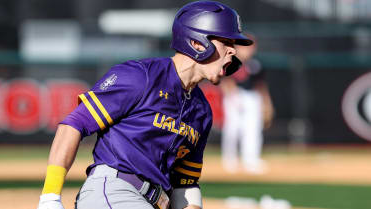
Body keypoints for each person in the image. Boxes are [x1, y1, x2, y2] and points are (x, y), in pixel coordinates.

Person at [36, 1, 253, 209]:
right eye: (227, 42)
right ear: (197, 42)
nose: (233, 51)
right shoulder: (141, 76)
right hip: (114, 191)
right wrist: (50, 197)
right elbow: (73, 125)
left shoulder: (202, 110)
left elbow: (186, 184)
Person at [220, 34, 274, 174]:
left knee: (253, 129)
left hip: (252, 97)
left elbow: (261, 86)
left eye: (250, 47)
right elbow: (225, 81)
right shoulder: (231, 61)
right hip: (235, 95)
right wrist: (232, 96)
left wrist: (266, 103)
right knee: (232, 129)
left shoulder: (256, 64)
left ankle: (251, 160)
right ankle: (230, 159)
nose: (248, 50)